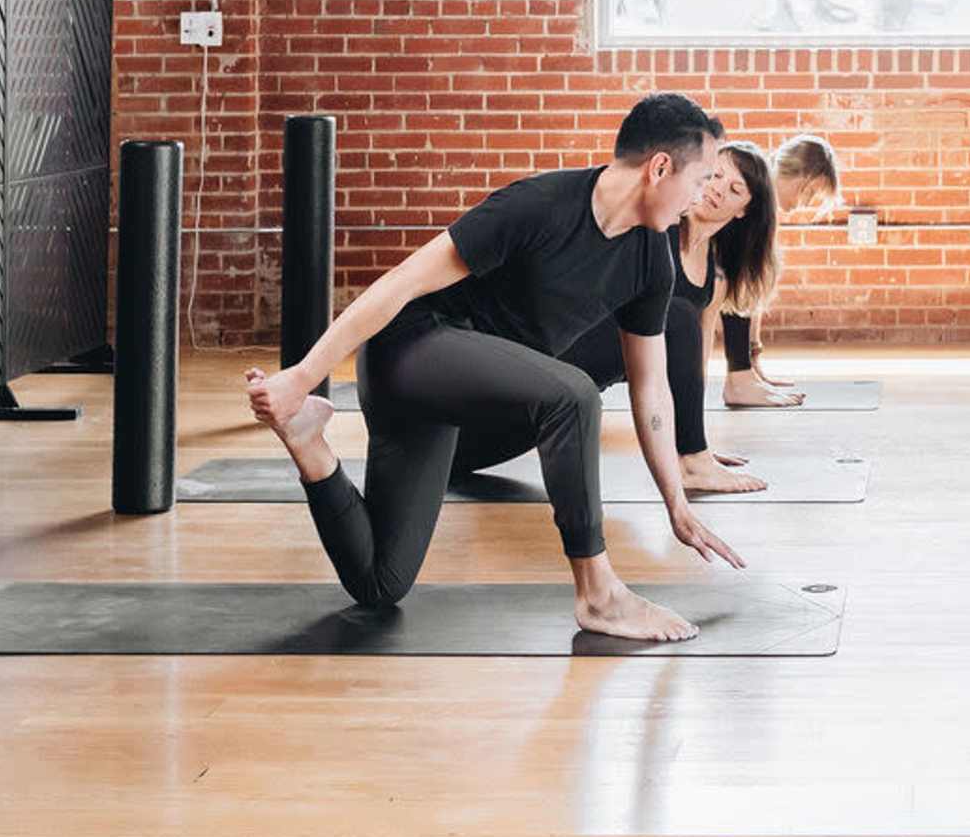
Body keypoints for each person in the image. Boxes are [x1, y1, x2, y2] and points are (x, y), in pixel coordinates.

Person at [246, 93, 748, 644]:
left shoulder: (652, 260)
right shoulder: (539, 205)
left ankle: (309, 445)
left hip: (458, 392)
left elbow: (651, 389)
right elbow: (400, 283)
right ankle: (600, 594)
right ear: (658, 168)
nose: (702, 196)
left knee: (379, 582)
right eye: (701, 178)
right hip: (412, 347)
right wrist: (302, 375)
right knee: (573, 395)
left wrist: (675, 503)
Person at [661, 143, 781, 496]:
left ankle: (694, 461)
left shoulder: (716, 278)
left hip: (621, 363)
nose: (717, 188)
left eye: (735, 189)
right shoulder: (661, 226)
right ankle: (693, 461)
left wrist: (693, 443)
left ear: (744, 210)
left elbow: (691, 365)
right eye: (716, 175)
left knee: (683, 321)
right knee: (678, 315)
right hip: (584, 346)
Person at [724, 134, 840, 410]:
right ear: (794, 173)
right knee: (738, 270)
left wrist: (754, 362)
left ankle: (743, 375)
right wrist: (741, 375)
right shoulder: (749, 192)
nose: (805, 203)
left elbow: (754, 286)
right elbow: (736, 285)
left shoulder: (764, 209)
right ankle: (737, 381)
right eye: (808, 192)